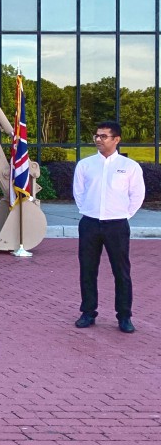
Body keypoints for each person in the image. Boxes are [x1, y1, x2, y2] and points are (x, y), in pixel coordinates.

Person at [72, 120, 145, 334]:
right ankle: (88, 312)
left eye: (104, 136)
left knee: (121, 272)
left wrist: (122, 214)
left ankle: (124, 316)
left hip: (117, 226)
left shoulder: (129, 167)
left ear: (116, 139)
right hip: (90, 224)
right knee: (87, 270)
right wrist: (88, 210)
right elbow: (79, 192)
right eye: (97, 135)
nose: (98, 140)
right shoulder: (85, 165)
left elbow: (137, 195)